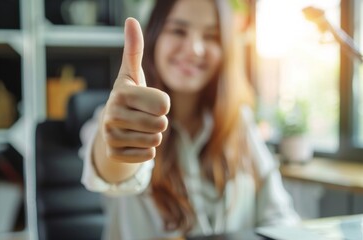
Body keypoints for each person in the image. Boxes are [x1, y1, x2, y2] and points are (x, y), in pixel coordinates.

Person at [79, 0, 300, 239]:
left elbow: (279, 216)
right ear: (154, 37)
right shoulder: (114, 119)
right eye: (178, 31)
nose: (195, 48)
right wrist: (121, 143)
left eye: (211, 36)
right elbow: (113, 171)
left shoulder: (240, 123)